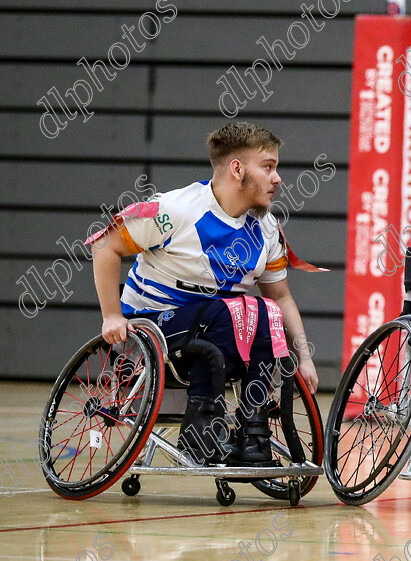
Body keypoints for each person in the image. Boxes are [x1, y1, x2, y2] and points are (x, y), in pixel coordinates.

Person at [88, 122, 319, 466]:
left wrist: (304, 357)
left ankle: (253, 433)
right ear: (237, 169)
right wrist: (111, 315)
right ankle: (199, 431)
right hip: (153, 324)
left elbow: (282, 298)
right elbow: (105, 244)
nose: (278, 178)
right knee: (230, 310)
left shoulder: (267, 228)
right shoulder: (176, 209)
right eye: (268, 167)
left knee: (262, 310)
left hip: (220, 328)